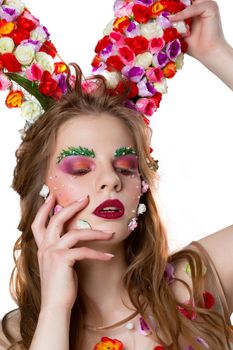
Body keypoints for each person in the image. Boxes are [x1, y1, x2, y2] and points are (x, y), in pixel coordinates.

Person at [0, 0, 233, 349]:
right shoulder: (16, 336)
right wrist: (55, 309)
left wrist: (218, 53)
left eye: (125, 166)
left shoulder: (193, 285)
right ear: (39, 192)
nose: (112, 180)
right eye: (80, 168)